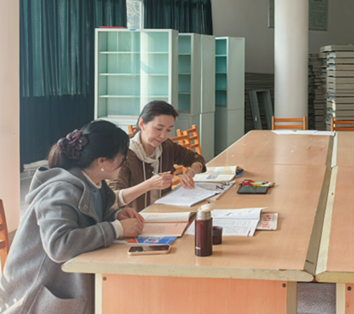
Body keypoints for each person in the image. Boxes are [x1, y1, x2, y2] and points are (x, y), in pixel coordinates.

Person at [0, 120, 144, 314]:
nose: (124, 163)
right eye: (122, 158)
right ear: (102, 161)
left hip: (65, 282)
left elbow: (89, 216)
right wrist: (116, 228)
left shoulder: (95, 183)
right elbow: (59, 245)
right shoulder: (61, 189)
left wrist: (116, 215)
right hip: (39, 294)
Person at [109, 101, 206, 212]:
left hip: (165, 212)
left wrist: (190, 173)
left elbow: (197, 159)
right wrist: (149, 185)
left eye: (168, 130)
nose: (163, 136)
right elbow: (113, 198)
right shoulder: (124, 156)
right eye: (159, 129)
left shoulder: (166, 146)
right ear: (142, 124)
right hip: (138, 218)